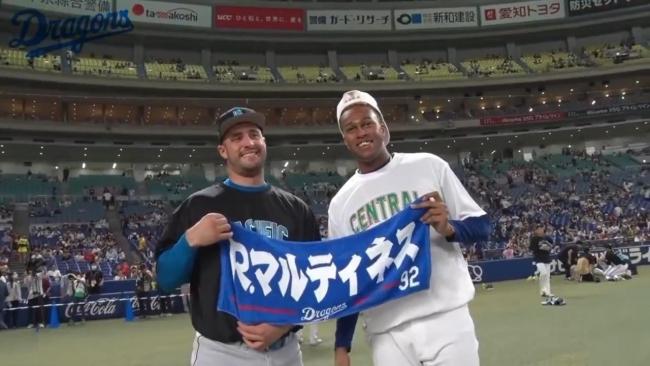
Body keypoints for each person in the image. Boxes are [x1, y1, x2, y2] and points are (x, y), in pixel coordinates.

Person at [329, 90, 490, 366]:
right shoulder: (340, 203)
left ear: (383, 128)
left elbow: (482, 226)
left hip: (445, 315)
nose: (360, 132)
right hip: (386, 330)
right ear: (345, 139)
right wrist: (342, 345)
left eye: (367, 123)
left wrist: (449, 228)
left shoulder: (428, 165)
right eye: (351, 128)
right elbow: (350, 280)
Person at [155, 107, 320, 366]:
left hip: (286, 351)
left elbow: (314, 283)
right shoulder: (198, 205)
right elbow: (165, 279)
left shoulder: (297, 210)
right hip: (221, 353)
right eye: (236, 137)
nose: (248, 143)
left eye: (254, 134)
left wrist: (284, 325)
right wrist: (190, 240)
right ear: (223, 150)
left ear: (264, 143)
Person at [529, 225, 554, 298]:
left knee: (547, 276)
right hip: (538, 258)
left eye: (541, 229)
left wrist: (547, 246)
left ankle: (547, 292)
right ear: (536, 231)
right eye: (538, 229)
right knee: (543, 273)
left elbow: (551, 244)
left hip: (546, 258)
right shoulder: (534, 239)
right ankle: (543, 290)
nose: (540, 230)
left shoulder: (546, 237)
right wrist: (540, 246)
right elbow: (531, 248)